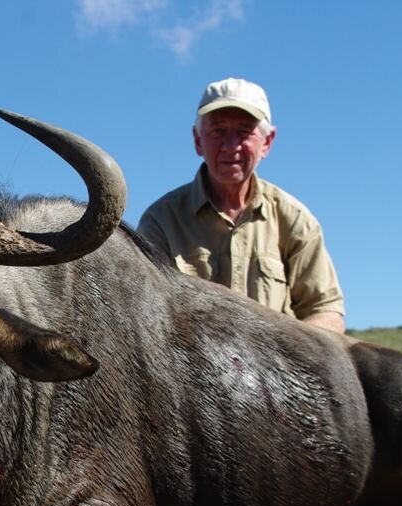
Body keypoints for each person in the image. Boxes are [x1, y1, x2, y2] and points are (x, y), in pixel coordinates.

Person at [138, 77, 346, 334]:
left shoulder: (294, 220)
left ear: (267, 142)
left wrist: (285, 355)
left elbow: (325, 312)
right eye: (218, 131)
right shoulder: (161, 220)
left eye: (244, 132)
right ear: (198, 140)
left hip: (277, 368)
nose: (231, 146)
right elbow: (146, 314)